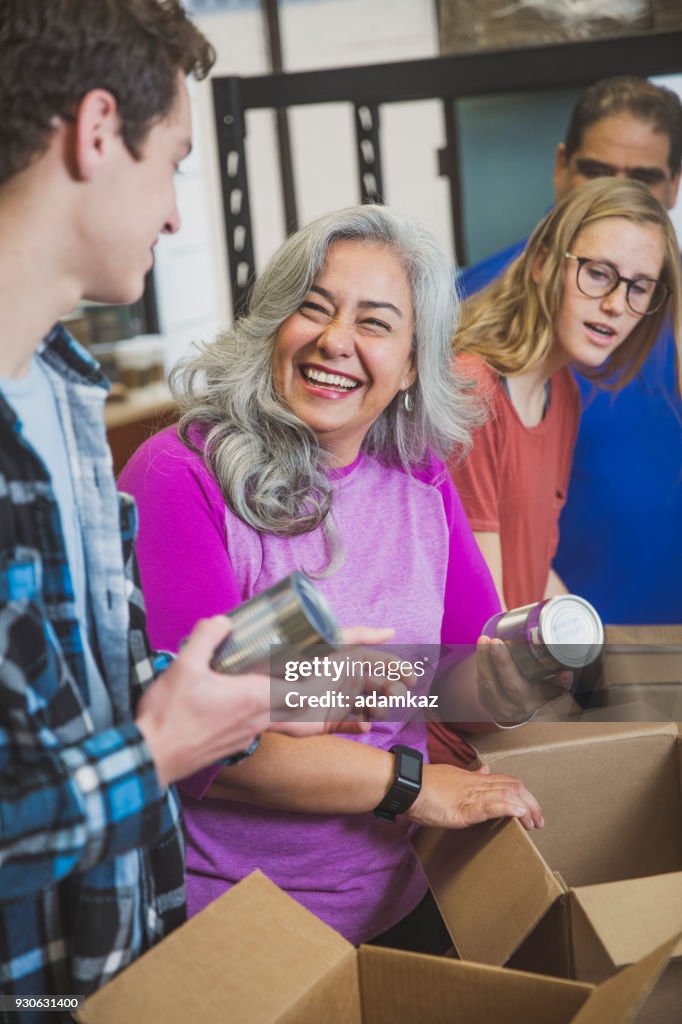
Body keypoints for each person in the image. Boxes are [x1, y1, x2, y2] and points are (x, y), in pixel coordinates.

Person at [0, 3, 395, 1015]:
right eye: (173, 158)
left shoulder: (62, 388)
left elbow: (80, 699)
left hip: (119, 954)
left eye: (378, 323)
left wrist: (260, 697)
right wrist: (166, 746)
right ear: (96, 132)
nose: (177, 212)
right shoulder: (177, 465)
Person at [120, 204, 556, 954]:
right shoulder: (178, 476)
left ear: (415, 361)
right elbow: (204, 747)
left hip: (397, 895)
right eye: (313, 309)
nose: (335, 341)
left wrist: (503, 686)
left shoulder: (419, 476)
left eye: (375, 323)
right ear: (272, 323)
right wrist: (413, 784)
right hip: (232, 921)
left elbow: (448, 673)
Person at [458, 76, 682, 625]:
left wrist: (590, 647)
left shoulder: (561, 386)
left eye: (638, 287)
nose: (614, 304)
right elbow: (491, 614)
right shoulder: (475, 382)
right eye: (597, 273)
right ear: (543, 263)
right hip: (497, 683)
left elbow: (532, 567)